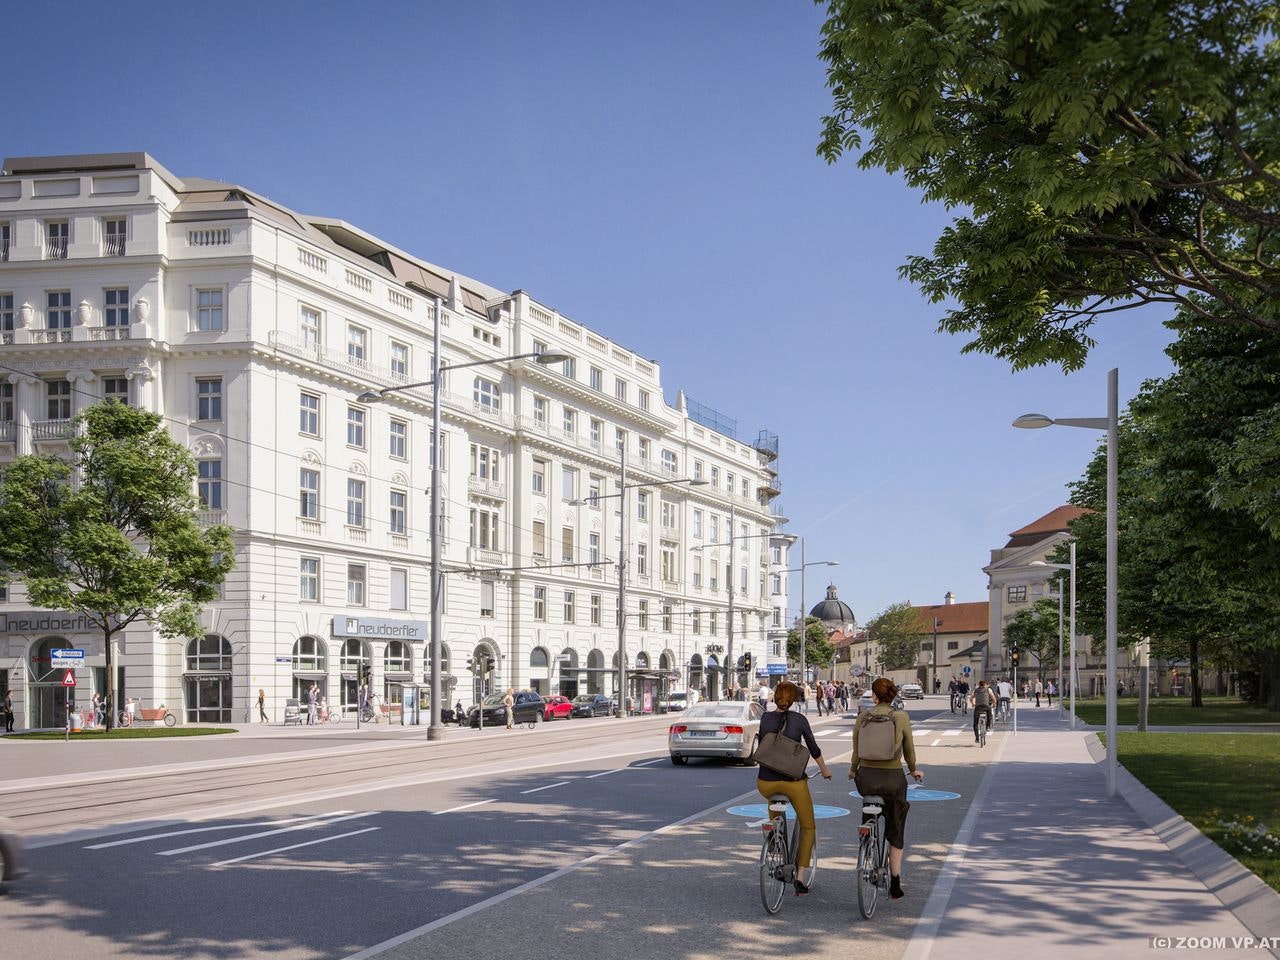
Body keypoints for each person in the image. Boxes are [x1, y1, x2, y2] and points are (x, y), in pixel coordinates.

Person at [755, 680, 831, 895]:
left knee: (774, 809)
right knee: (808, 826)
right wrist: (825, 770)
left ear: (776, 697)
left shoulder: (765, 718)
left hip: (765, 783)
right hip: (792, 783)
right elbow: (814, 749)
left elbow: (764, 746)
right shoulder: (800, 720)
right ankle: (799, 876)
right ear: (794, 699)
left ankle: (774, 838)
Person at [851, 677, 924, 900]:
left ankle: (867, 839)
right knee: (896, 825)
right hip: (893, 778)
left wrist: (853, 771)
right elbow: (909, 748)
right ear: (893, 696)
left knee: (869, 806)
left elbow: (856, 748)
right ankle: (895, 882)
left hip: (866, 778)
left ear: (874, 696)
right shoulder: (901, 716)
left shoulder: (863, 716)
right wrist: (914, 770)